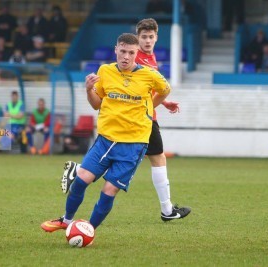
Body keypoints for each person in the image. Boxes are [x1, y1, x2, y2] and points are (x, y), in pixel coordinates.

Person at [59, 18, 191, 222]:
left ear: (156, 38)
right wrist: (151, 107)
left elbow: (147, 89)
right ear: (134, 41)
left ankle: (166, 209)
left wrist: (161, 103)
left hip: (138, 123)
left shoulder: (150, 59)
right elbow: (115, 95)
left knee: (156, 159)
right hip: (138, 122)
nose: (147, 41)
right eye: (144, 37)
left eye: (151, 37)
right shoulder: (129, 63)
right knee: (158, 159)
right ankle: (166, 210)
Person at [41, 33, 171, 233]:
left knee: (108, 190)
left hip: (133, 145)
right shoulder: (105, 71)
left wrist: (150, 108)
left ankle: (88, 230)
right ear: (116, 50)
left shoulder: (149, 75)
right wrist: (88, 90)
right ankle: (66, 221)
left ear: (137, 53)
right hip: (105, 140)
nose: (126, 56)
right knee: (80, 180)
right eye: (123, 51)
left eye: (131, 52)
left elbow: (165, 90)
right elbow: (96, 105)